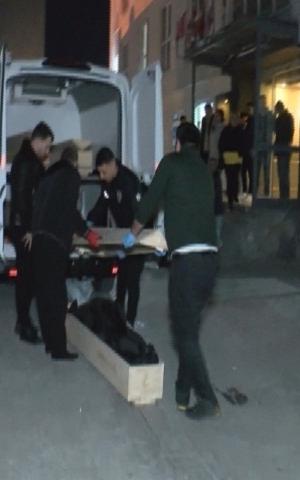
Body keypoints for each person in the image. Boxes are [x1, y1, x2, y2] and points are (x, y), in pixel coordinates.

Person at [123, 122, 220, 420]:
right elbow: (189, 210)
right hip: (210, 262)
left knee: (183, 336)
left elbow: (150, 203)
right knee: (189, 328)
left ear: (178, 142)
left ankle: (208, 398)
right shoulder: (204, 171)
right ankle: (182, 392)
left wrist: (132, 233)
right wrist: (168, 240)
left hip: (187, 265)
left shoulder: (171, 163)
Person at [31, 143, 102, 361]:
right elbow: (69, 211)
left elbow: (38, 207)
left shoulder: (47, 176)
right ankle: (59, 349)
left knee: (43, 296)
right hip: (54, 244)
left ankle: (49, 343)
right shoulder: (70, 176)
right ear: (75, 162)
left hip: (38, 241)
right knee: (58, 298)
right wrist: (87, 233)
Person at [87, 147, 146, 327]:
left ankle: (130, 321)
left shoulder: (129, 181)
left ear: (112, 164)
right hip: (122, 236)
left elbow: (140, 213)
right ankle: (119, 317)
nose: (102, 176)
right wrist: (89, 220)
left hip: (136, 236)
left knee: (133, 280)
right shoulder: (108, 183)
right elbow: (103, 202)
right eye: (100, 173)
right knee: (122, 276)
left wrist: (133, 237)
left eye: (103, 172)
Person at [8, 122, 53, 345]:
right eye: (48, 145)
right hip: (24, 229)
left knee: (27, 277)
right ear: (39, 141)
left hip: (22, 227)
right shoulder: (27, 162)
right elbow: (23, 199)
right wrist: (29, 230)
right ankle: (24, 324)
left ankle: (24, 322)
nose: (48, 150)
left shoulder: (27, 159)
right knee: (26, 278)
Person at [218, 111, 246, 211]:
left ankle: (234, 195)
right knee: (231, 178)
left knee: (234, 177)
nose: (234, 120)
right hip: (229, 157)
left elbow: (243, 144)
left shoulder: (239, 131)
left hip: (236, 158)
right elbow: (221, 144)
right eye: (232, 118)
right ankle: (231, 198)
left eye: (235, 118)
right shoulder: (227, 131)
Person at [207, 108, 225, 244]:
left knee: (217, 182)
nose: (216, 118)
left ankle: (216, 239)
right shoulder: (211, 127)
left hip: (217, 155)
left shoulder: (221, 128)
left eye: (218, 116)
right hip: (211, 154)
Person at [274, 100, 295, 200]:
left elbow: (276, 130)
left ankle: (284, 196)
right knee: (284, 173)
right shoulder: (288, 118)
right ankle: (285, 196)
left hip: (282, 148)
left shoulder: (282, 119)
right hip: (285, 148)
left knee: (282, 173)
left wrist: (275, 117)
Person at [255, 94, 275, 197]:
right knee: (257, 171)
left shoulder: (270, 115)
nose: (262, 103)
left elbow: (273, 128)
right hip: (258, 146)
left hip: (266, 146)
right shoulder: (256, 116)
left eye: (263, 101)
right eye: (261, 102)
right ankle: (255, 193)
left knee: (266, 171)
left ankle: (266, 193)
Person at [241, 102, 255, 199]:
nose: (248, 111)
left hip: (250, 150)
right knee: (244, 171)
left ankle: (250, 190)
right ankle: (246, 189)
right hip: (245, 150)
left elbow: (252, 136)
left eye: (250, 109)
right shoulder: (247, 121)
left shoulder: (253, 121)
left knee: (250, 171)